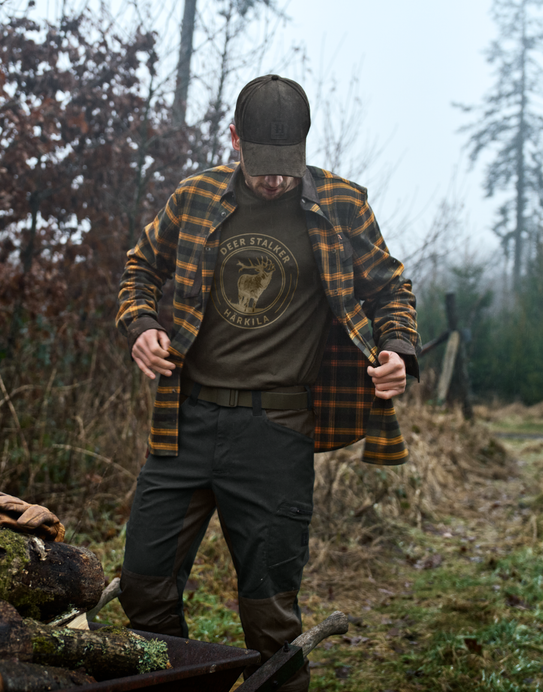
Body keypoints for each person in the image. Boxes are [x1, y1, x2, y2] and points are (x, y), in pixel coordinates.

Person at [115, 74, 419, 691]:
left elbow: (391, 290)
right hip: (185, 424)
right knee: (144, 587)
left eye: (287, 166)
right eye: (261, 165)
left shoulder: (342, 204)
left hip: (277, 434)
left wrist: (397, 350)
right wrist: (141, 324)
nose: (275, 179)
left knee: (269, 615)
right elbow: (142, 266)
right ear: (234, 138)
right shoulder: (194, 197)